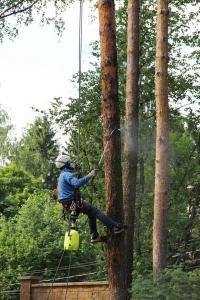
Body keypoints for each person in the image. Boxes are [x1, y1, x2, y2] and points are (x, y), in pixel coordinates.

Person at [55, 154, 126, 243]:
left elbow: (74, 184)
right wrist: (90, 175)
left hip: (69, 205)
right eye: (68, 162)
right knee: (95, 211)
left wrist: (79, 172)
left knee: (91, 214)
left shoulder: (62, 175)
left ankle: (94, 235)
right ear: (65, 164)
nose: (71, 163)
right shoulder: (66, 175)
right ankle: (115, 227)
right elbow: (77, 183)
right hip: (73, 202)